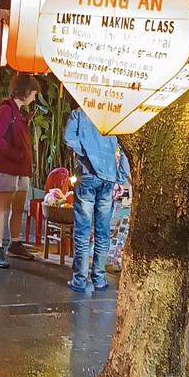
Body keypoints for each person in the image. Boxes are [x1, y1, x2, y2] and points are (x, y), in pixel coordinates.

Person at [63, 107, 130, 293]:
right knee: (102, 231)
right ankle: (99, 279)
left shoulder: (79, 113)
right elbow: (125, 150)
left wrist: (85, 155)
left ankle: (79, 279)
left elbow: (69, 138)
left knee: (83, 231)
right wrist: (120, 178)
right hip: (109, 179)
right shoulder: (115, 114)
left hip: (87, 176)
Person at [0, 72, 39, 269]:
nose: (34, 97)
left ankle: (15, 242)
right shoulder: (6, 109)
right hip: (8, 166)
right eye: (33, 93)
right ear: (25, 92)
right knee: (3, 206)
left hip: (21, 168)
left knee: (18, 207)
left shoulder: (18, 112)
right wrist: (14, 154)